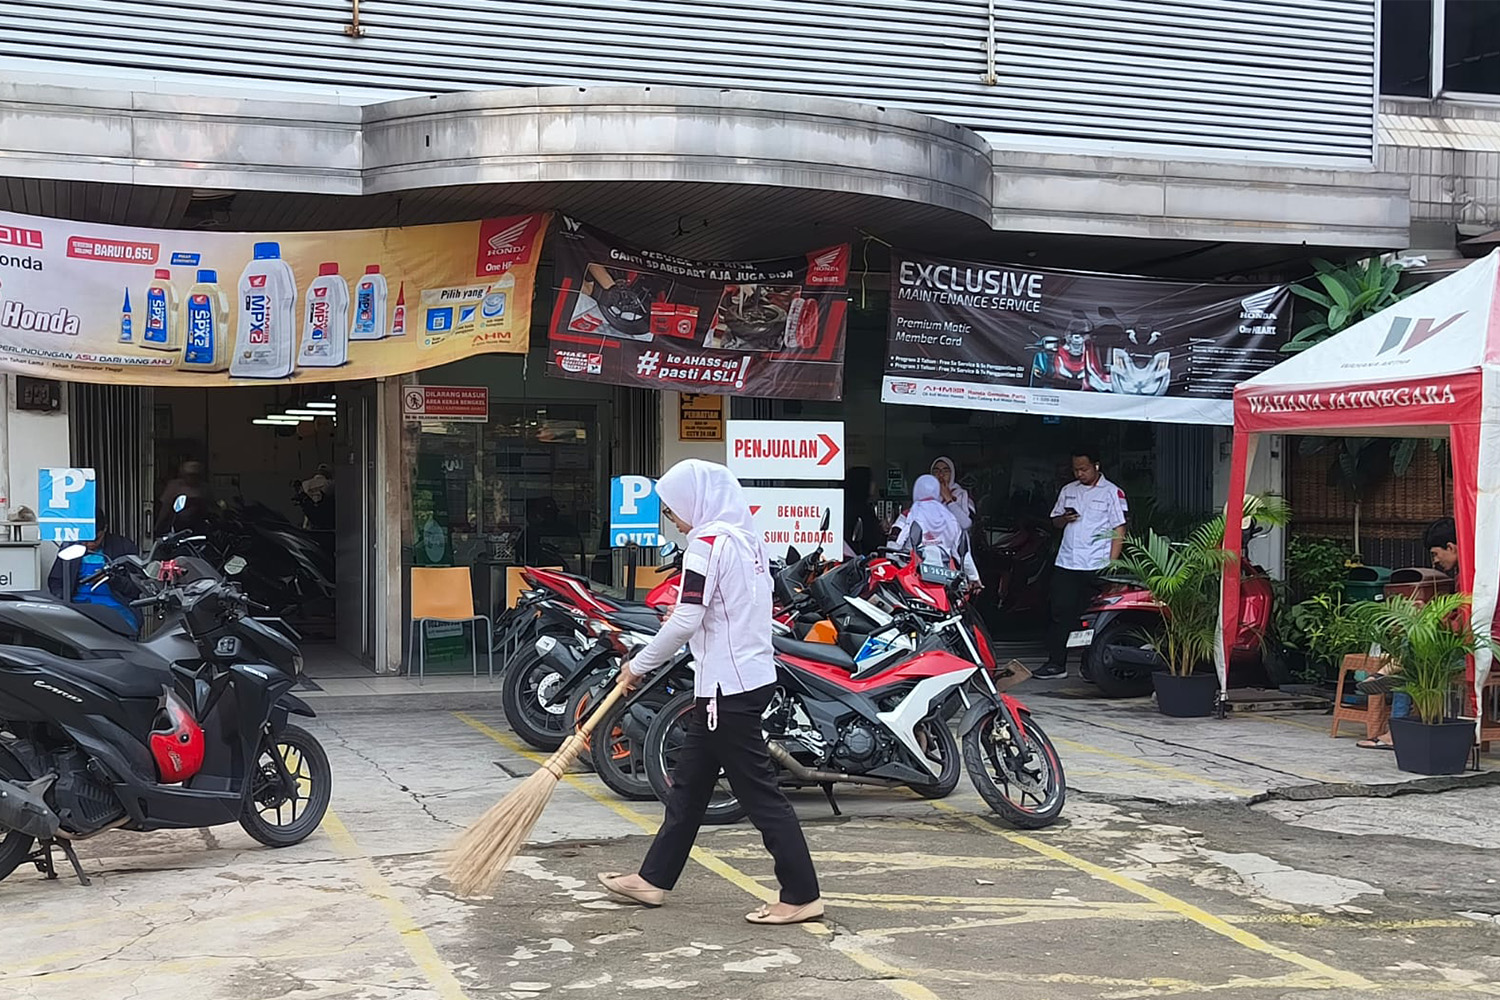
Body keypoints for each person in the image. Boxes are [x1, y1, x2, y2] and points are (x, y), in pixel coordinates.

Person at [598, 459, 823, 925]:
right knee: (689, 788)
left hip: (728, 687)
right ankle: (653, 879)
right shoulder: (746, 540)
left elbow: (687, 617)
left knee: (759, 793)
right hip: (742, 679)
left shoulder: (706, 542)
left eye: (672, 509)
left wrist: (638, 665)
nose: (673, 519)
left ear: (695, 500)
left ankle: (801, 893)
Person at [1357, 516, 1461, 750]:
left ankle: (1395, 723)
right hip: (1471, 643)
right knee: (1412, 643)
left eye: (1436, 554)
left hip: (1474, 649)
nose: (1435, 561)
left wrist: (1431, 618)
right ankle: (1389, 675)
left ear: (1451, 547)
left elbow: (1462, 627)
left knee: (1412, 653)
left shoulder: (1469, 578)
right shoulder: (1472, 573)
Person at [1037, 449, 1128, 679]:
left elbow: (1119, 527)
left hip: (1096, 562)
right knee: (1060, 613)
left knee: (1094, 616)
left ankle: (1092, 666)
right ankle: (1056, 664)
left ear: (1096, 466)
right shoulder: (1069, 490)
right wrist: (1063, 519)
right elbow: (1055, 521)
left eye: (1084, 469)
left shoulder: (1112, 492)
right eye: (1076, 469)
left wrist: (1112, 563)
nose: (1080, 473)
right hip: (1068, 561)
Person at [48, 508, 140, 631]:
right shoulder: (70, 547)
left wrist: (112, 579)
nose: (89, 545)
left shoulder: (123, 547)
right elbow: (55, 581)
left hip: (115, 607)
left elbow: (136, 589)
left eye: (95, 539)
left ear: (105, 529)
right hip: (78, 605)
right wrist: (64, 602)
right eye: (84, 540)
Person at [890, 475, 981, 588]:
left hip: (912, 576)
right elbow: (961, 551)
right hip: (944, 578)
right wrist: (974, 577)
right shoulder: (949, 516)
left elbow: (895, 540)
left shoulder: (909, 514)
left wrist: (891, 563)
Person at [156, 460, 214, 534]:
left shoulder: (204, 488)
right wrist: (158, 525)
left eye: (195, 475)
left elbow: (210, 505)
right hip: (177, 526)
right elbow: (165, 507)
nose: (192, 478)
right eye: (189, 475)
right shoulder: (174, 486)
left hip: (198, 526)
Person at [843, 466, 883, 558]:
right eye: (871, 481)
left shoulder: (848, 506)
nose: (874, 484)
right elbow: (872, 540)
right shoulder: (861, 510)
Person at [930, 456, 975, 531]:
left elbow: (966, 524)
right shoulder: (926, 497)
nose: (941, 475)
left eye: (946, 471)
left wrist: (949, 500)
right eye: (936, 471)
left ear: (952, 474)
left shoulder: (962, 495)